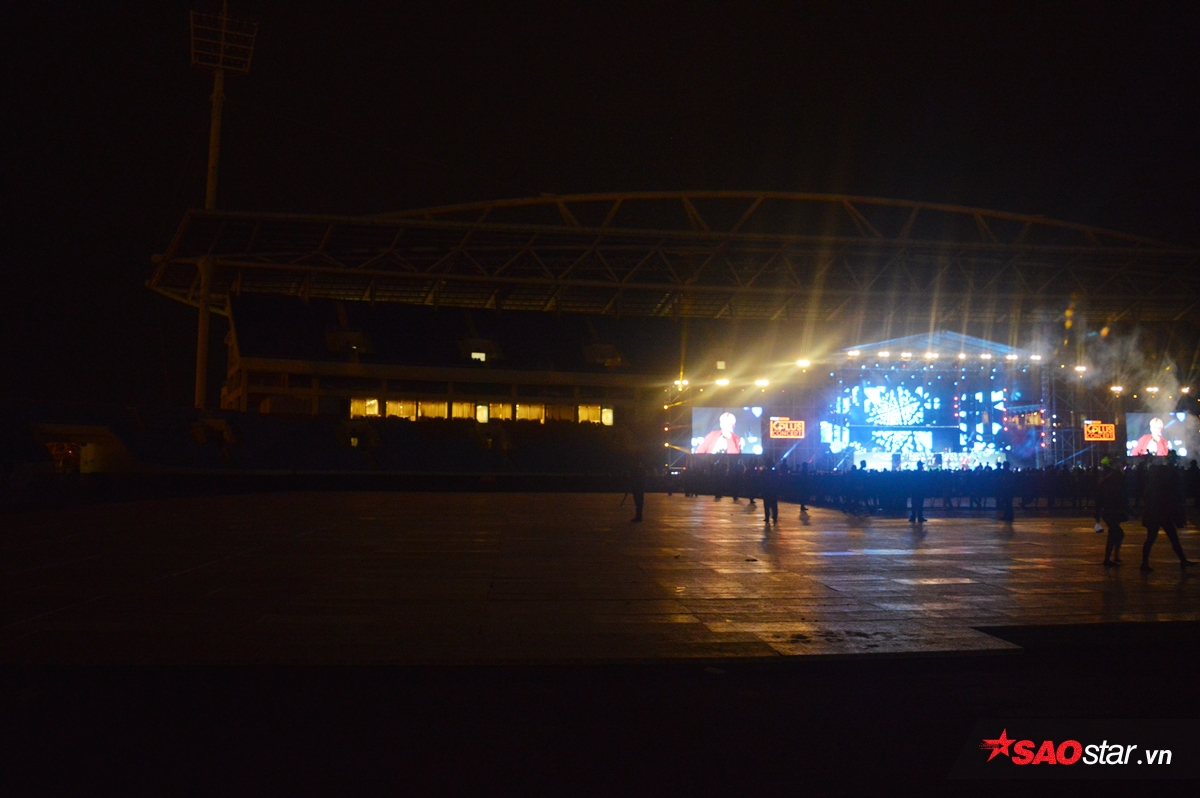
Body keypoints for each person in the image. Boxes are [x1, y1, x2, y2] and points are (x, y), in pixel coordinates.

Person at [1139, 453, 1196, 571]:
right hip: (1162, 515)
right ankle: (1182, 560)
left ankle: (1145, 563)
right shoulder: (1163, 486)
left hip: (1156, 514)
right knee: (1171, 538)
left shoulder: (1153, 485)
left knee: (1152, 539)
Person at [1097, 463, 1128, 567]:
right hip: (1111, 513)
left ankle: (1113, 556)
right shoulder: (1113, 489)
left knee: (1115, 534)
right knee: (1116, 534)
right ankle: (1110, 557)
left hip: (1110, 513)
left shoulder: (1108, 487)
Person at [760, 460, 780, 524]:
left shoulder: (764, 472)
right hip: (773, 490)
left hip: (766, 490)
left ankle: (767, 517)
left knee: (766, 504)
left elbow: (761, 481)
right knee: (774, 504)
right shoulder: (775, 472)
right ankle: (774, 516)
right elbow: (777, 482)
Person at [629, 457, 647, 522]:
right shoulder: (642, 470)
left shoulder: (634, 470)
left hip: (637, 488)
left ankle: (638, 516)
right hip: (640, 488)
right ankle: (639, 516)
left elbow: (632, 479)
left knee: (637, 502)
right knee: (640, 503)